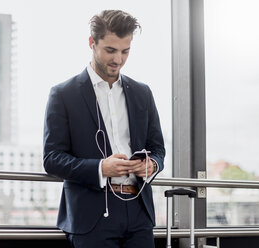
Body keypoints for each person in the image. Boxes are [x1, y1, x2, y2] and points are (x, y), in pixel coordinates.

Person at [43, 10, 165, 248]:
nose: (118, 59)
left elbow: (158, 148)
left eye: (125, 51)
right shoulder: (63, 94)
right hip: (91, 216)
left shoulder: (143, 93)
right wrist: (100, 168)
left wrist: (152, 164)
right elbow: (52, 159)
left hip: (139, 211)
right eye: (110, 50)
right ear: (92, 43)